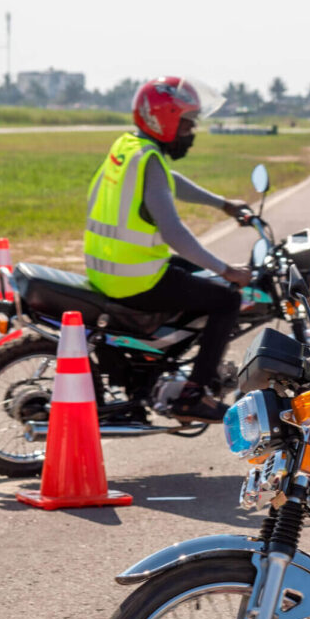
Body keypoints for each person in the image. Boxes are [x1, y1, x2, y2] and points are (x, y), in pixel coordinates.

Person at [84, 75, 253, 422]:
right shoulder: (150, 160)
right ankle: (194, 395)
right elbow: (175, 234)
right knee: (227, 298)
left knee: (200, 278)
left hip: (110, 268)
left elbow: (167, 183)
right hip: (134, 280)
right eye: (188, 124)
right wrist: (226, 270)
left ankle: (163, 362)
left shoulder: (131, 148)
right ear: (166, 120)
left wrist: (222, 204)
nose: (192, 132)